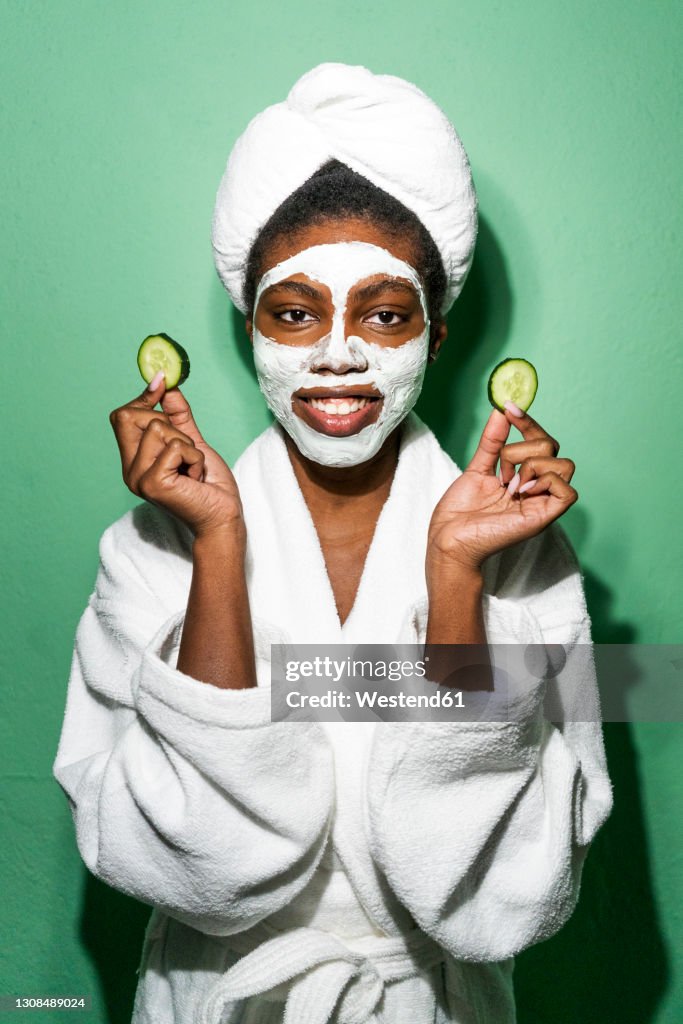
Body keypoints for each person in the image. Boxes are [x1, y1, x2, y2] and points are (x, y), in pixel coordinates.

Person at [52, 63, 614, 1023]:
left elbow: (509, 892)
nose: (339, 353)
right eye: (295, 312)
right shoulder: (148, 552)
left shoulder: (523, 561)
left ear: (436, 337)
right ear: (250, 331)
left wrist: (454, 577)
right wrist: (217, 544)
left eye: (384, 314)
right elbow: (188, 867)